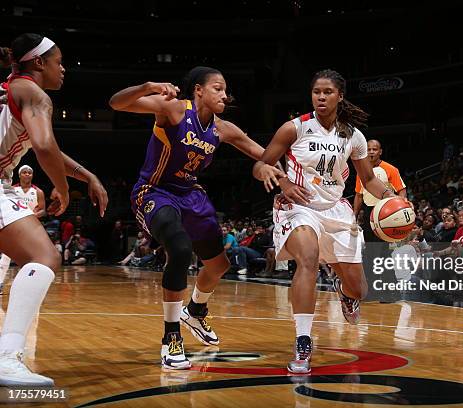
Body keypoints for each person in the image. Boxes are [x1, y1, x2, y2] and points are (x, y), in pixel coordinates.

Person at [109, 66, 278, 370]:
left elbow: (264, 153)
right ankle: (171, 337)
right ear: (198, 90)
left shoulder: (223, 129)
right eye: (217, 88)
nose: (224, 94)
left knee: (219, 265)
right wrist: (147, 84)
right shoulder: (173, 110)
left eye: (225, 89)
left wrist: (277, 171)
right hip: (155, 191)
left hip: (191, 195)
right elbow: (116, 103)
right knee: (180, 248)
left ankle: (196, 310)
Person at [253, 69, 397, 374]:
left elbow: (369, 179)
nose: (321, 96)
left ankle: (346, 293)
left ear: (340, 96)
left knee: (360, 290)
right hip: (298, 206)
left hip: (335, 209)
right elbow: (261, 164)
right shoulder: (294, 128)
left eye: (328, 92)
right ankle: (303, 342)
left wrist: (393, 197)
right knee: (308, 257)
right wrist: (280, 181)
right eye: (316, 91)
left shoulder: (353, 136)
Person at [0, 33, 107, 386]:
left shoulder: (15, 87)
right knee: (43, 257)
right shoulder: (33, 92)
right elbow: (44, 145)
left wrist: (86, 175)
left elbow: (47, 148)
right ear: (39, 63)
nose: (64, 69)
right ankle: (6, 358)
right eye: (59, 62)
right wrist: (62, 188)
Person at [0, 164, 46, 294]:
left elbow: (43, 210)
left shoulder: (38, 191)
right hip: (14, 225)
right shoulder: (12, 189)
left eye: (29, 173)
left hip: (31, 227)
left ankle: (29, 286)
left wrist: (32, 215)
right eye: (24, 172)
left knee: (33, 258)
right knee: (6, 256)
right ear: (19, 175)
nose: (27, 174)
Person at [352, 139, 406, 239]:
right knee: (370, 245)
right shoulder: (361, 171)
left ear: (380, 152)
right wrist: (354, 214)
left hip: (387, 210)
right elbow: (359, 195)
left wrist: (401, 207)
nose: (371, 152)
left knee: (386, 245)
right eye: (368, 149)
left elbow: (401, 190)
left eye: (374, 149)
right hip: (368, 212)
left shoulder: (391, 169)